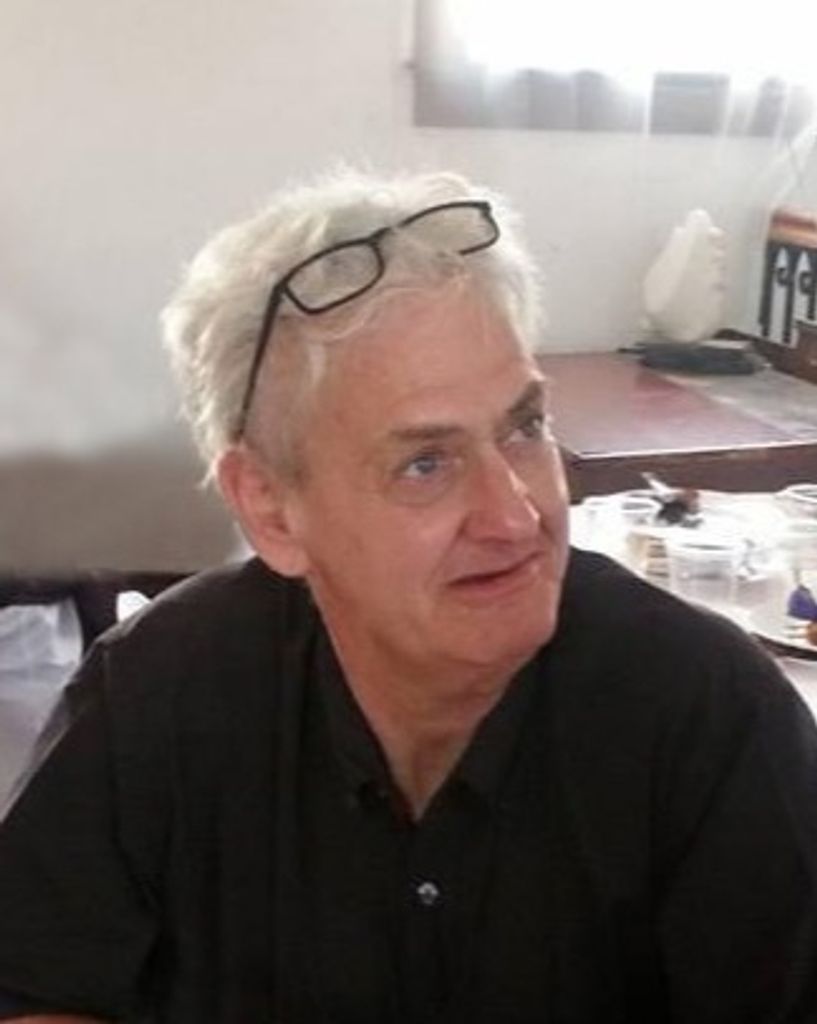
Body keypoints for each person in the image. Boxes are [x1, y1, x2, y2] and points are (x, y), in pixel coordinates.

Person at [0, 169, 815, 1024]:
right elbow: (35, 990)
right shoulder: (159, 694)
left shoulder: (707, 717)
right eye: (425, 464)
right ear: (270, 508)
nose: (515, 515)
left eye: (524, 427)